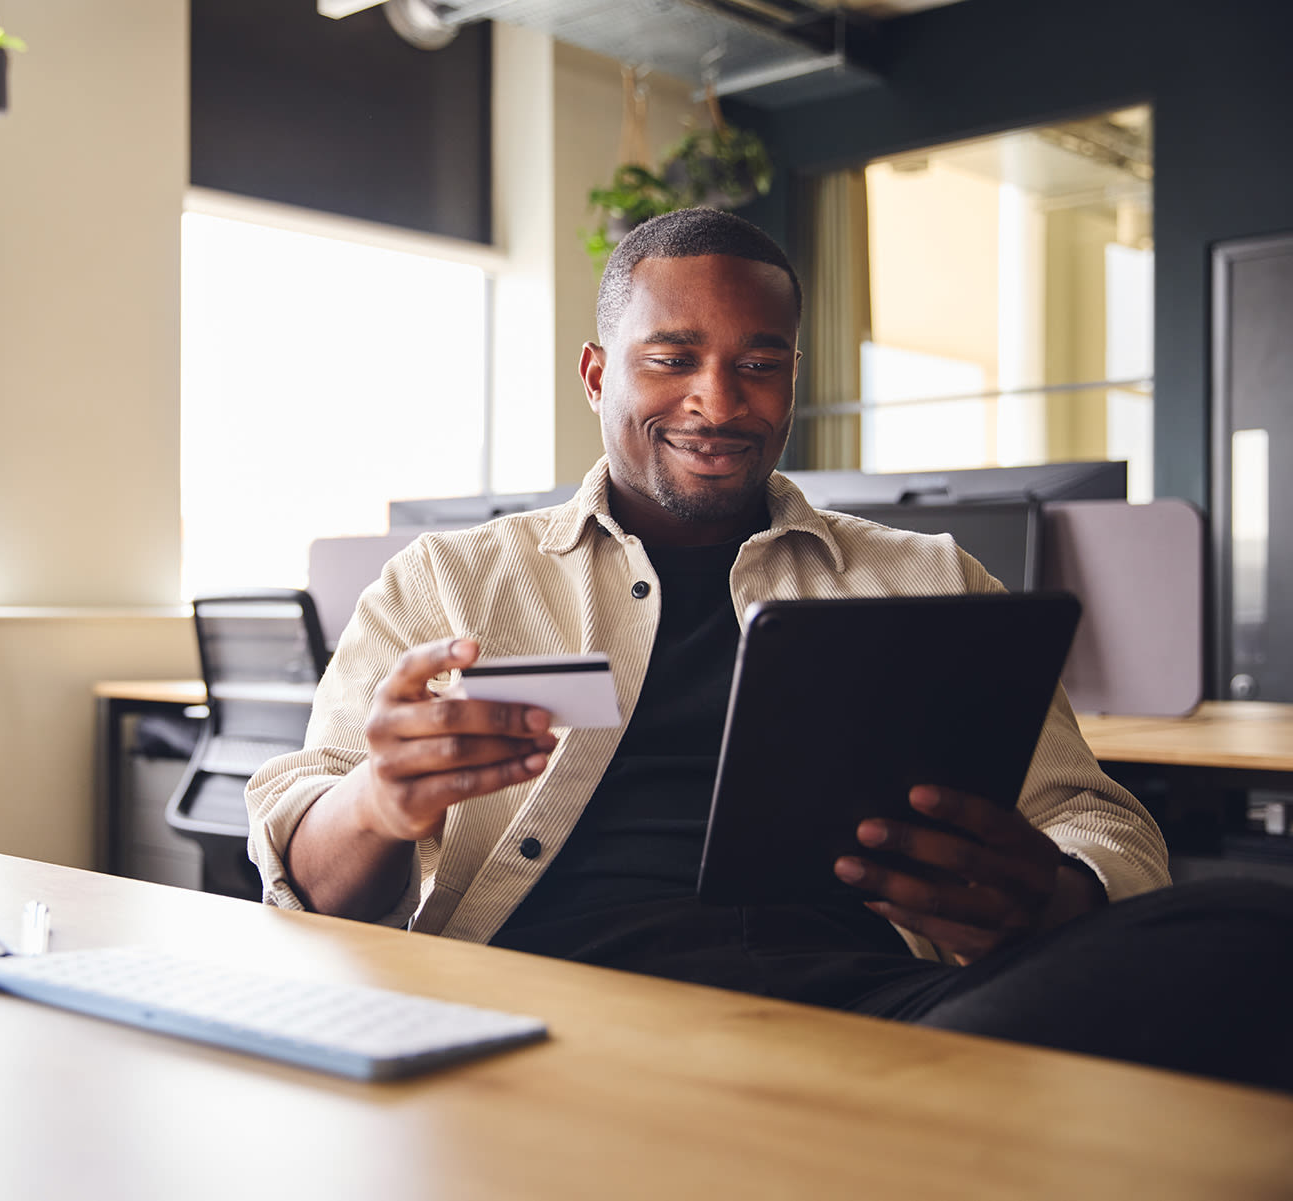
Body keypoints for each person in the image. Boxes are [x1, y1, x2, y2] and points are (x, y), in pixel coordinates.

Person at [246, 207, 1293, 1091]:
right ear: (598, 372)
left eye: (760, 364)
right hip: (553, 1009)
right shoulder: (448, 582)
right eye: (673, 360)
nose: (718, 400)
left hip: (887, 1009)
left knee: (1253, 934)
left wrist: (1052, 898)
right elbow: (307, 862)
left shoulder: (925, 578)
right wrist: (382, 801)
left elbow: (1092, 814)